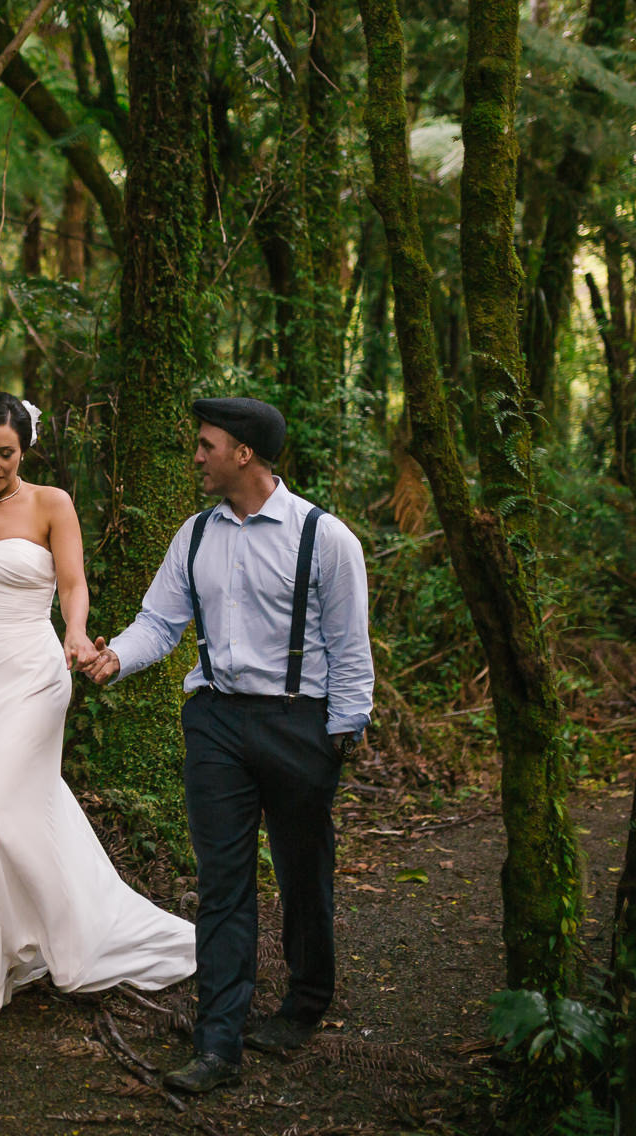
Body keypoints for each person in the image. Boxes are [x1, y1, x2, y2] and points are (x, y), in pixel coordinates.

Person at [91, 397, 373, 1093]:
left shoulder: (325, 537)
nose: (197, 456)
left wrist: (342, 733)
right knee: (222, 883)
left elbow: (349, 646)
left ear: (242, 453)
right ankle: (218, 1045)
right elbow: (158, 622)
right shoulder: (194, 535)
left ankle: (305, 1003)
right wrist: (114, 659)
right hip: (215, 721)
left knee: (304, 872)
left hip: (299, 724)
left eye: (206, 445)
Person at [0, 391, 196, 1025]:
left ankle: (45, 942)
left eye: (6, 452)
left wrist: (76, 632)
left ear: (25, 448)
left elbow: (72, 582)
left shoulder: (52, 503)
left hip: (35, 672)